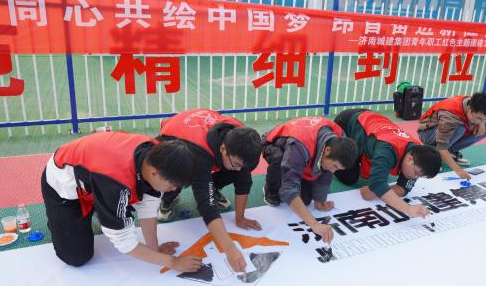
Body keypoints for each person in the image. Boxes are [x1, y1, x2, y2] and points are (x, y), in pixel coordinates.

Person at [41, 131, 198, 272]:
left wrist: (154, 249)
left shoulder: (158, 157)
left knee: (117, 204)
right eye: (171, 185)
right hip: (63, 186)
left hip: (97, 180)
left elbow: (148, 207)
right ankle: (59, 221)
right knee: (77, 257)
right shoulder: (115, 183)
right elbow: (124, 243)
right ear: (154, 173)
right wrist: (173, 262)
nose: (172, 190)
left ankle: (99, 208)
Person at [158, 109, 263, 273]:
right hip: (177, 138)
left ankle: (213, 186)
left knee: (237, 171)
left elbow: (244, 179)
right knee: (179, 174)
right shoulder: (199, 154)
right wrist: (230, 249)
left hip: (205, 134)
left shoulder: (243, 142)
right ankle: (167, 199)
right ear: (223, 148)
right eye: (237, 163)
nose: (239, 168)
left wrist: (240, 218)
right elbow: (206, 205)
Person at [260, 116, 359, 244]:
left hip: (302, 150)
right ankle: (270, 189)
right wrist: (314, 224)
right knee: (283, 181)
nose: (334, 171)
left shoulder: (340, 141)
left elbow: (326, 170)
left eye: (338, 169)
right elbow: (288, 190)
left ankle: (298, 173)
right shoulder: (300, 145)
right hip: (274, 144)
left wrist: (319, 200)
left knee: (305, 200)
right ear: (327, 150)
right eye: (335, 166)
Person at [332, 108, 441, 218]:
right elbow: (377, 184)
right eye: (416, 173)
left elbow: (402, 189)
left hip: (373, 122)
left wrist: (375, 192)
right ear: (409, 159)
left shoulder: (418, 154)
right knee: (350, 177)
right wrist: (408, 208)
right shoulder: (387, 150)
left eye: (420, 176)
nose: (415, 177)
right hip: (348, 122)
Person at [417, 92, 486, 178]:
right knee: (459, 129)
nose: (482, 121)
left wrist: (481, 123)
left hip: (449, 127)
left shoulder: (477, 103)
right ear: (469, 109)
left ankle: (450, 151)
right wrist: (458, 170)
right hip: (428, 132)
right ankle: (432, 155)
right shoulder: (450, 116)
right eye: (479, 118)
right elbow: (441, 147)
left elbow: (482, 117)